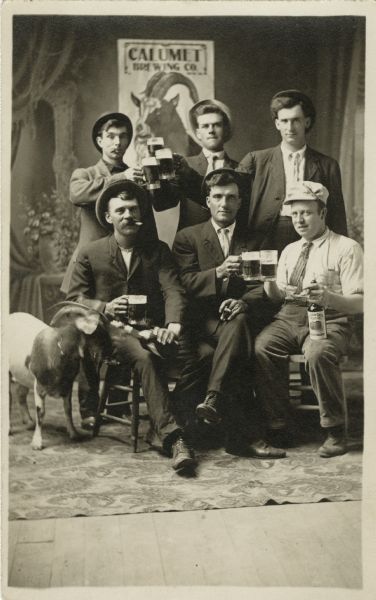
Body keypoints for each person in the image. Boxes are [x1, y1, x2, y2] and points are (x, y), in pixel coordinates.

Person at [66, 178, 196, 472]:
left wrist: (172, 327)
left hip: (152, 329)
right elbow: (74, 299)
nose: (128, 216)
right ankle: (175, 438)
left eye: (133, 209)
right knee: (145, 357)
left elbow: (173, 290)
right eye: (121, 210)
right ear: (108, 217)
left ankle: (159, 427)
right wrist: (105, 307)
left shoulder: (158, 250)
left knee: (200, 354)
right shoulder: (90, 252)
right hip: (110, 335)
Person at [172, 168, 285, 458]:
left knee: (240, 321)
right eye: (218, 197)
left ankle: (213, 399)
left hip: (241, 318)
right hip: (202, 320)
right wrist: (218, 273)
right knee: (239, 344)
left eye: (231, 197)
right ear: (207, 201)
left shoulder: (256, 239)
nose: (225, 203)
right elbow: (182, 283)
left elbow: (267, 284)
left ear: (240, 201)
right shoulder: (188, 237)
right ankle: (243, 434)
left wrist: (244, 301)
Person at [254, 181, 363, 457]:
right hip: (289, 316)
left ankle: (336, 430)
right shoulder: (290, 250)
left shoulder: (347, 248)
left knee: (318, 352)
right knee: (262, 346)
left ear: (323, 213)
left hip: (332, 318)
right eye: (295, 214)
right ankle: (279, 424)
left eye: (306, 213)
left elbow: (362, 303)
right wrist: (268, 282)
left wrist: (329, 298)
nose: (299, 220)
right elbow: (278, 296)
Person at [237, 90, 348, 254]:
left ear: (307, 122)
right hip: (266, 240)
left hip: (313, 238)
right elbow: (232, 197)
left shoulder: (327, 165)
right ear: (277, 124)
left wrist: (340, 254)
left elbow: (337, 216)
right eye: (284, 121)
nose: (290, 127)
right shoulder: (256, 160)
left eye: (296, 120)